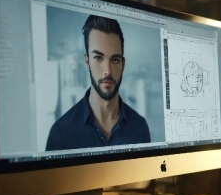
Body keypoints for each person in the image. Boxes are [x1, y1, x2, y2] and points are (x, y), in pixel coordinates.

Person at [46, 15, 151, 151]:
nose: (107, 71)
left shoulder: (139, 127)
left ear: (123, 64)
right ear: (87, 61)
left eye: (114, 60)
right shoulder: (61, 133)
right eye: (98, 58)